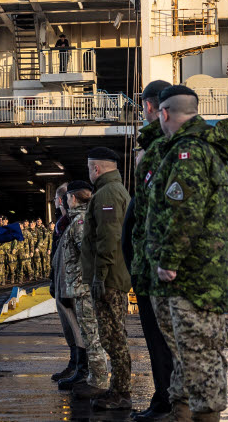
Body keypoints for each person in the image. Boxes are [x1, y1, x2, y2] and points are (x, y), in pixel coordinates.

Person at [149, 85, 228, 422]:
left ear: (164, 113)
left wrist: (168, 262)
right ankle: (183, 414)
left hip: (192, 278)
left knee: (200, 359)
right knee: (189, 356)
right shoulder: (202, 149)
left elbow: (185, 214)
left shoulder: (188, 153)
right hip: (199, 275)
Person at [126, 79, 176, 422]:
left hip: (157, 268)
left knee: (163, 341)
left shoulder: (164, 150)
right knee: (161, 340)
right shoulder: (163, 148)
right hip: (149, 266)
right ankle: (166, 398)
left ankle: (168, 401)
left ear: (150, 107)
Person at [81, 146, 133, 410]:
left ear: (96, 168)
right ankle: (118, 389)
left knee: (114, 338)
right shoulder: (114, 190)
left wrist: (99, 277)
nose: (89, 172)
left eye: (90, 167)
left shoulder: (107, 193)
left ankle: (122, 392)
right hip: (112, 276)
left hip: (110, 279)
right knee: (113, 336)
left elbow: (108, 238)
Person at [59, 181, 113, 398]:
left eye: (67, 198)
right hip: (81, 288)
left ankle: (99, 381)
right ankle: (93, 377)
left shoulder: (80, 221)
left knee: (91, 336)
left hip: (84, 289)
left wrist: (90, 282)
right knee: (88, 334)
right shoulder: (79, 219)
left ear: (72, 198)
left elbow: (89, 254)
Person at [49, 183, 83, 384]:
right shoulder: (61, 223)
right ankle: (73, 364)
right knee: (67, 328)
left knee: (76, 327)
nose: (54, 202)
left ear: (62, 200)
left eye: (55, 198)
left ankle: (79, 366)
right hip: (61, 280)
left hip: (71, 283)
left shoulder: (71, 222)